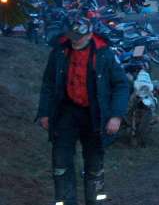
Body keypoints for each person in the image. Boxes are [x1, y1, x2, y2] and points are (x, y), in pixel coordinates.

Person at [36, 18, 129, 205]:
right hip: (66, 113)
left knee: (94, 166)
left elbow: (121, 85)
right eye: (72, 36)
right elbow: (48, 84)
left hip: (95, 116)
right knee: (61, 163)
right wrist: (44, 112)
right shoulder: (59, 51)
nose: (74, 40)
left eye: (78, 37)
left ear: (89, 35)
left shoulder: (104, 54)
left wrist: (116, 116)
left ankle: (95, 202)